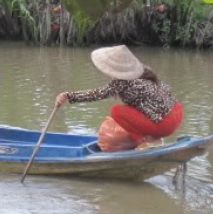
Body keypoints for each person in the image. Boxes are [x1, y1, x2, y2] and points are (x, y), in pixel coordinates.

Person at [55, 45, 183, 151]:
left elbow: (98, 94)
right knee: (132, 109)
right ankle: (154, 139)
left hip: (164, 124)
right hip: (177, 112)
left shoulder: (122, 81)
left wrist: (68, 95)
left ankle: (143, 143)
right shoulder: (145, 71)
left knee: (116, 111)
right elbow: (159, 94)